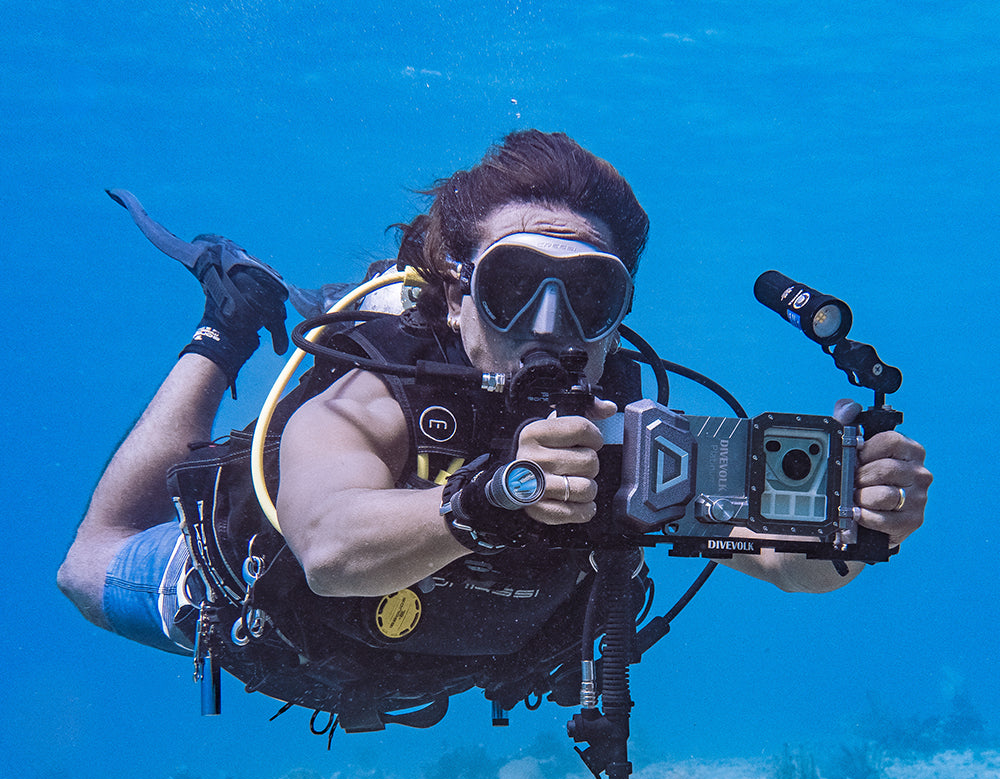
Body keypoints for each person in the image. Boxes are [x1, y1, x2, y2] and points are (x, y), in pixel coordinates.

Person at [58, 130, 931, 736]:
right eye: (517, 284)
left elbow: (790, 568)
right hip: (271, 621)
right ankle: (228, 325)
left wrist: (856, 531)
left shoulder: (632, 440)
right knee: (87, 568)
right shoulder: (376, 392)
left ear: (617, 316)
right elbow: (328, 548)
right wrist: (491, 496)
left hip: (454, 662)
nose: (550, 324)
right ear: (457, 291)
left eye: (589, 296)